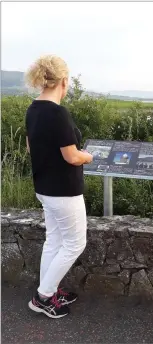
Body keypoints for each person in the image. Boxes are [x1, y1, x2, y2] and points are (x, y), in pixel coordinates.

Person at [25, 55, 93, 319]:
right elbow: (72, 157)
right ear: (64, 81)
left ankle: (47, 291)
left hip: (43, 187)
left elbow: (31, 147)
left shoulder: (33, 109)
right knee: (75, 243)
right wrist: (88, 156)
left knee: (54, 240)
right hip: (64, 190)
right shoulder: (58, 113)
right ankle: (43, 296)